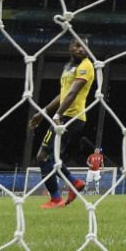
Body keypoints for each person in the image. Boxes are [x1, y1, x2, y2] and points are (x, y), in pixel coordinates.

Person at [30, 39, 95, 209]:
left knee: (42, 156)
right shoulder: (68, 68)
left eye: (85, 46)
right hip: (65, 117)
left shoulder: (86, 65)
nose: (82, 49)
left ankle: (56, 198)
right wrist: (42, 113)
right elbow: (63, 95)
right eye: (78, 45)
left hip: (71, 118)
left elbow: (73, 93)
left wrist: (57, 115)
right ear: (70, 47)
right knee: (50, 157)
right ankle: (74, 183)